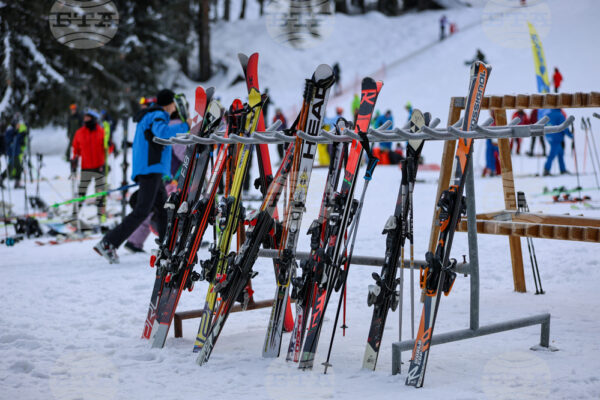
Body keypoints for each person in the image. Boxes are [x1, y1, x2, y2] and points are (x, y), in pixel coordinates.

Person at [94, 89, 190, 263]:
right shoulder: (158, 115)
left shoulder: (151, 114)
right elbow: (162, 133)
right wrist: (186, 126)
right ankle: (108, 242)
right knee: (142, 211)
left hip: (152, 169)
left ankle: (169, 246)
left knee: (162, 209)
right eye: (174, 103)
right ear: (170, 104)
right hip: (150, 169)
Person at [124, 111, 186, 253]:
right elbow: (183, 153)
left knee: (157, 208)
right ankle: (178, 241)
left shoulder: (166, 125)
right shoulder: (176, 126)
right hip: (176, 178)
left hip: (167, 176)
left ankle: (135, 241)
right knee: (175, 209)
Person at [71, 109, 107, 222]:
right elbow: (75, 148)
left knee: (100, 194)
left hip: (99, 167)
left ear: (93, 119)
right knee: (81, 192)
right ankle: (74, 215)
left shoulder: (101, 132)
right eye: (84, 118)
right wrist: (74, 160)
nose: (85, 120)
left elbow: (108, 148)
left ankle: (101, 217)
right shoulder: (80, 132)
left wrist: (110, 145)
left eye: (88, 118)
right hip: (86, 167)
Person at [541, 108, 573, 176]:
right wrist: (571, 135)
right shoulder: (560, 115)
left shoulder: (547, 114)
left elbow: (543, 125)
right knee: (552, 154)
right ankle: (546, 170)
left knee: (560, 153)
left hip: (548, 137)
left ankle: (563, 169)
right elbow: (564, 127)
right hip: (557, 138)